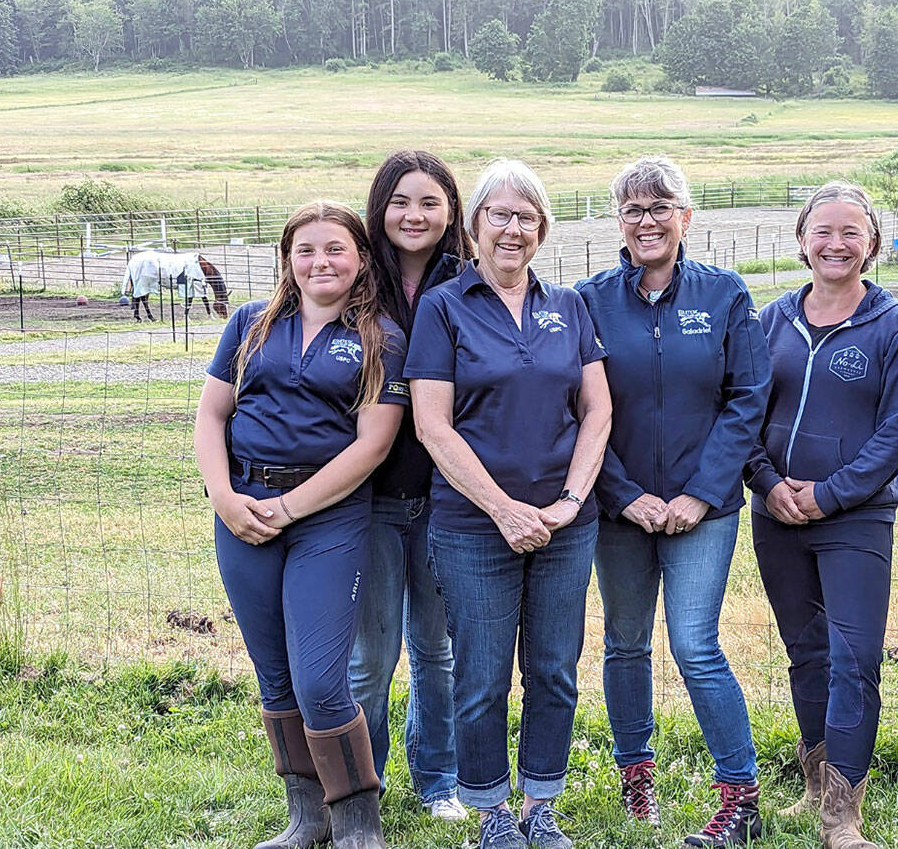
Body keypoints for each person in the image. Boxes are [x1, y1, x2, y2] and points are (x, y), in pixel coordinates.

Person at [408, 159, 612, 849]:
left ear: (542, 228)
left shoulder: (570, 306)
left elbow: (598, 410)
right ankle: (492, 812)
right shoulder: (444, 307)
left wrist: (569, 500)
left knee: (554, 669)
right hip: (472, 525)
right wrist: (502, 509)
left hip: (565, 525)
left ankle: (540, 806)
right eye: (499, 214)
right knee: (482, 675)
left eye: (526, 216)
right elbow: (432, 424)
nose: (512, 229)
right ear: (474, 226)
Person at [195, 201, 409, 849]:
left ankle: (356, 824)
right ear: (288, 258)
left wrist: (290, 508)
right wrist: (226, 500)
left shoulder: (381, 338)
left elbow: (373, 445)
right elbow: (210, 418)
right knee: (276, 676)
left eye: (336, 248)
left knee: (321, 679)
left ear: (362, 258)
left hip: (328, 519)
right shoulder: (248, 325)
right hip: (242, 512)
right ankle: (307, 818)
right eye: (306, 249)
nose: (321, 261)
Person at [576, 155, 772, 848]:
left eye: (661, 206)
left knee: (694, 644)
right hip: (618, 510)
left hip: (704, 511)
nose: (647, 220)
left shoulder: (724, 294)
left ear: (687, 216)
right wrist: (625, 495)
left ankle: (741, 796)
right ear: (617, 221)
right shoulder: (589, 300)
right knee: (625, 644)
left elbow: (746, 400)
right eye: (632, 208)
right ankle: (636, 782)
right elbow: (580, 408)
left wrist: (698, 493)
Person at [744, 181, 898, 849]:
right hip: (777, 515)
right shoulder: (772, 321)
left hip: (856, 519)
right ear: (801, 240)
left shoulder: (895, 326)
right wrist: (766, 482)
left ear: (871, 243)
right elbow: (745, 413)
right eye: (823, 231)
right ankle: (817, 786)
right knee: (807, 653)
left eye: (851, 232)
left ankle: (843, 816)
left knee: (854, 657)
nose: (836, 244)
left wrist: (832, 493)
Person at [348, 150, 474, 821]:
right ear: (380, 209)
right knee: (370, 657)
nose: (414, 215)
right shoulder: (357, 281)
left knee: (437, 649)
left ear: (451, 210)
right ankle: (359, 784)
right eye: (401, 201)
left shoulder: (471, 283)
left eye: (429, 202)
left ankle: (439, 781)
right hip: (366, 500)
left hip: (446, 501)